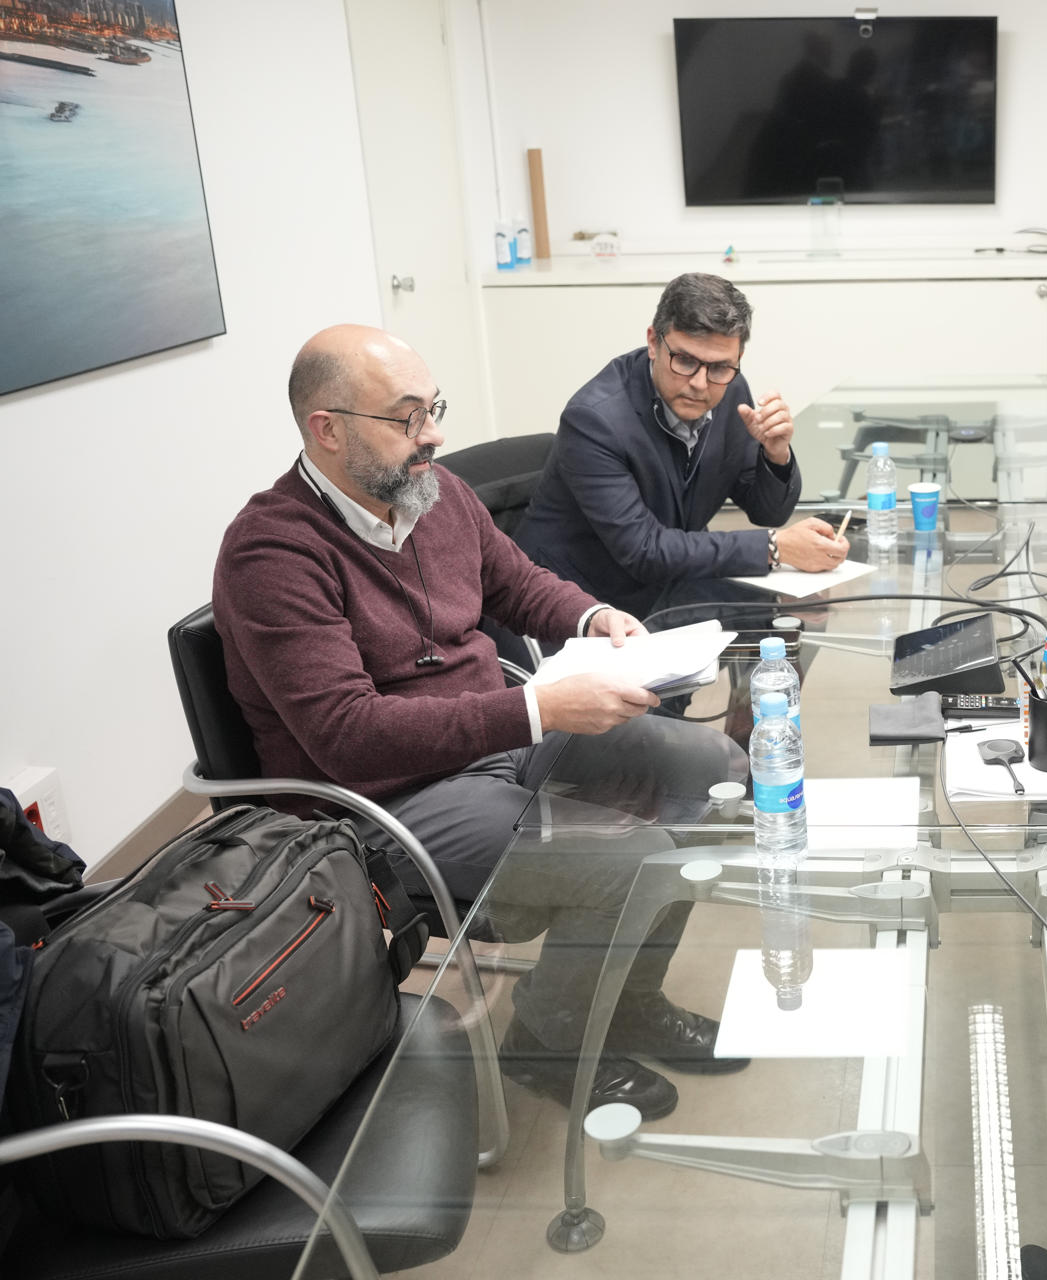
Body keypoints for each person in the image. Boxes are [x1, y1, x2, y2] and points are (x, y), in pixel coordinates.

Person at [214, 325, 751, 1123]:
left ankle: (629, 1001)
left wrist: (594, 617)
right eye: (407, 418)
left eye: (433, 409)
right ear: (327, 429)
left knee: (711, 767)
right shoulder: (272, 556)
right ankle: (546, 1039)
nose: (432, 435)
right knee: (632, 860)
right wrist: (536, 709)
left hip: (498, 744)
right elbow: (349, 736)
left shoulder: (430, 493)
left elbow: (517, 584)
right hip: (384, 801)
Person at [515, 272, 850, 616]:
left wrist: (775, 454)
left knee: (795, 622)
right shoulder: (594, 420)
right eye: (686, 361)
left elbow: (768, 513)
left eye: (720, 367)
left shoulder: (730, 389)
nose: (700, 384)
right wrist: (774, 548)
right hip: (575, 605)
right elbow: (644, 550)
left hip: (669, 589)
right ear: (653, 342)